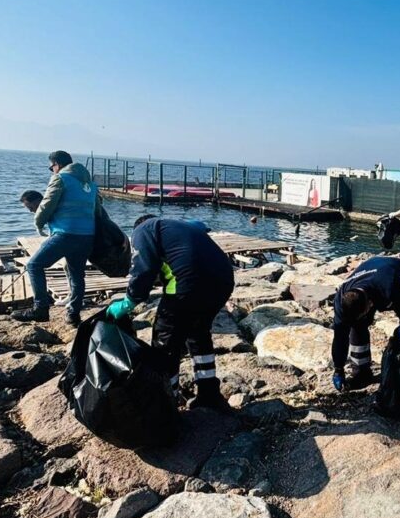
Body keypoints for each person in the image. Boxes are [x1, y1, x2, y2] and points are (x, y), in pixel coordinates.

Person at [105, 216, 235, 410]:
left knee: (165, 344)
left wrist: (129, 301)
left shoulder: (143, 230)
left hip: (188, 285)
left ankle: (167, 403)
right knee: (198, 333)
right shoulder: (178, 226)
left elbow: (143, 268)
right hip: (223, 280)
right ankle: (209, 394)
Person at [12, 151, 100, 326]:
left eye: (51, 167)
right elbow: (97, 211)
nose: (52, 170)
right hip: (86, 236)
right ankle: (73, 314)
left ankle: (40, 309)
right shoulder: (90, 184)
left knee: (34, 265)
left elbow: (47, 204)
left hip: (65, 233)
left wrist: (38, 224)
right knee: (76, 274)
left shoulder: (60, 178)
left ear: (57, 164)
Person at [330, 256, 400, 391]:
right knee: (357, 326)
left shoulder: (395, 287)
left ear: (369, 305)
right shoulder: (341, 298)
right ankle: (362, 373)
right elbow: (340, 337)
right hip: (371, 269)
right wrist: (338, 369)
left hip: (399, 272)